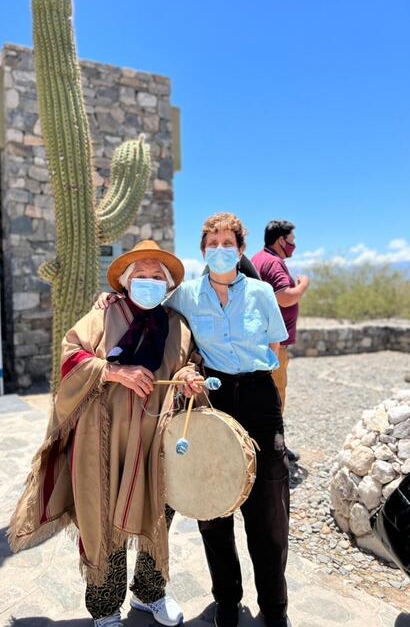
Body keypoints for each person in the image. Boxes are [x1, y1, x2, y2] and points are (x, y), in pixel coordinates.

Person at [96, 214, 292, 627]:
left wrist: (270, 392)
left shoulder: (261, 293)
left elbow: (275, 346)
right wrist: (109, 300)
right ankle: (227, 599)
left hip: (259, 398)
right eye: (212, 243)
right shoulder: (185, 294)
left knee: (268, 510)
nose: (220, 249)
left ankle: (274, 607)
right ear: (203, 250)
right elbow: (145, 309)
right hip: (212, 398)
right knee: (211, 504)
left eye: (228, 243)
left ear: (240, 250)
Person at [8, 240, 204, 627]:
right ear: (127, 282)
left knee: (158, 514)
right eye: (141, 276)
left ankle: (150, 594)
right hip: (103, 440)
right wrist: (115, 371)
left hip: (156, 445)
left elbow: (189, 363)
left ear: (166, 285)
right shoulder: (103, 315)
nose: (148, 282)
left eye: (155, 277)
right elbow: (71, 356)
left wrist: (187, 377)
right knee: (105, 517)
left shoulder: (178, 326)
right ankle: (106, 606)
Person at [251, 220, 310, 462]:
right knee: (276, 396)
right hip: (274, 345)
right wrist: (302, 286)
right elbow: (284, 298)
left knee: (258, 396)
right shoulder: (274, 263)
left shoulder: (256, 259)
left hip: (257, 341)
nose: (294, 246)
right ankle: (274, 450)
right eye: (292, 241)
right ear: (280, 240)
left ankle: (259, 445)